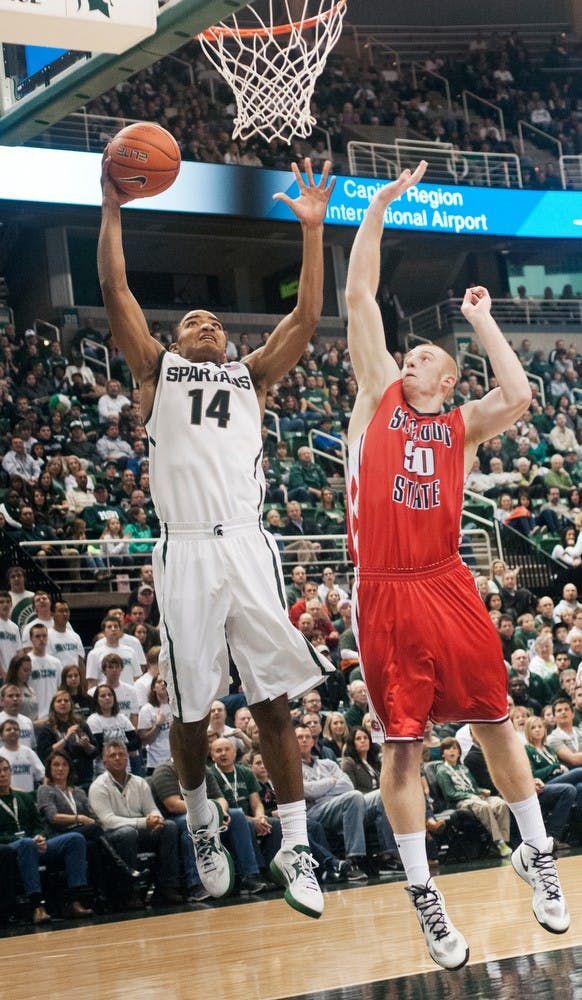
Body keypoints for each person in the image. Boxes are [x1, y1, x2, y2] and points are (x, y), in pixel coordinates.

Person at [98, 152, 336, 919]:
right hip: (185, 547)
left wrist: (311, 231)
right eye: (192, 320)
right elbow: (115, 290)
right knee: (192, 712)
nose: (205, 322)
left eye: (214, 321)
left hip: (247, 544)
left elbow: (302, 318)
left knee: (270, 701)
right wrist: (112, 209)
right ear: (174, 340)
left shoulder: (253, 377)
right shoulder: (154, 371)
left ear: (228, 343)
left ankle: (295, 842)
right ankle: (200, 815)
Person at [344, 161, 569, 970]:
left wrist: (480, 320)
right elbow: (358, 298)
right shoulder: (378, 395)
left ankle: (539, 857)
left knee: (496, 720)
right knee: (401, 748)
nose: (410, 356)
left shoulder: (461, 424)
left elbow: (520, 395)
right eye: (409, 352)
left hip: (446, 580)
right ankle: (423, 895)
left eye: (425, 355)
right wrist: (376, 207)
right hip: (386, 589)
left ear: (448, 377)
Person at [88, 740, 182, 908]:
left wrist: (156, 820)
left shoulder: (140, 782)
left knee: (169, 827)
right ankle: (129, 892)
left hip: (139, 829)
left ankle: (167, 887)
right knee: (127, 833)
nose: (118, 758)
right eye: (113, 755)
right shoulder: (98, 787)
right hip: (110, 836)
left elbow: (152, 809)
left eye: (121, 754)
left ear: (127, 758)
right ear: (105, 763)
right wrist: (144, 822)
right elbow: (108, 821)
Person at [0, 754, 93, 923]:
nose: (2, 774)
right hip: (10, 846)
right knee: (26, 844)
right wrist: (24, 839)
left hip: (35, 842)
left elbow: (38, 824)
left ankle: (74, 900)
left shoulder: (24, 797)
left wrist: (40, 836)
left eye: (5, 770)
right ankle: (37, 906)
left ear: (10, 772)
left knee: (75, 838)